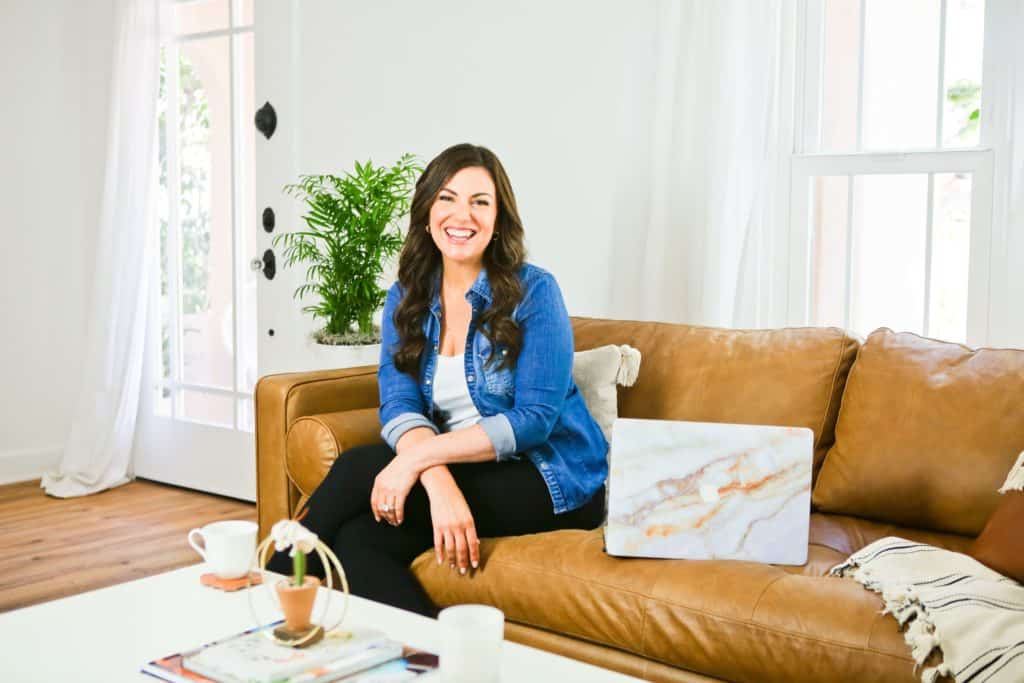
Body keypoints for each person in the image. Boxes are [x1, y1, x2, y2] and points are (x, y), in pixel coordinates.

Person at [268, 143, 608, 617]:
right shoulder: (407, 296)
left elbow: (535, 420)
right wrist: (436, 479)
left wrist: (418, 460)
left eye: (480, 202)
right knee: (356, 540)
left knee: (354, 469)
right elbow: (399, 403)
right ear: (427, 213)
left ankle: (266, 589)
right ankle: (440, 664)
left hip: (551, 478)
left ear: (499, 219)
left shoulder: (535, 291)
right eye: (447, 198)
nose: (461, 215)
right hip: (465, 468)